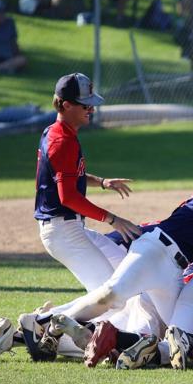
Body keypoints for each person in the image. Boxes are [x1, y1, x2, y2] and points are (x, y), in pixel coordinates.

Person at [44, 139, 193, 339]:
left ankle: (71, 332)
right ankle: (42, 324)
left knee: (176, 332)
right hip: (157, 251)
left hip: (173, 269)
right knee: (111, 296)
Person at [34, 73, 141, 293]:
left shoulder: (58, 133)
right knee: (109, 294)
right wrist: (112, 219)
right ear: (66, 105)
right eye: (85, 106)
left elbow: (70, 175)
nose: (91, 110)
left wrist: (103, 182)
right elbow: (69, 197)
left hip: (69, 227)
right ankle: (43, 321)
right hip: (62, 231)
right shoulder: (62, 141)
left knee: (126, 271)